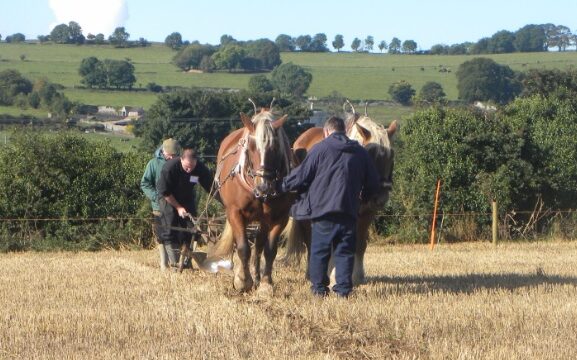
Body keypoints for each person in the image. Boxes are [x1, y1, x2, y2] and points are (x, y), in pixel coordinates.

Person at [279, 116, 380, 297]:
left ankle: (319, 290)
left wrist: (280, 186)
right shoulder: (360, 152)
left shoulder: (319, 149)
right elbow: (373, 184)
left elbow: (301, 176)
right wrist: (362, 199)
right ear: (344, 131)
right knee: (344, 252)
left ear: (326, 132)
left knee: (320, 252)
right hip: (349, 211)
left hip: (323, 212)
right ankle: (342, 291)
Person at [156, 145, 215, 270]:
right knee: (170, 228)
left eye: (192, 167)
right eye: (187, 167)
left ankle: (186, 261)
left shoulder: (200, 168)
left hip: (187, 198)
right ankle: (175, 263)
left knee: (191, 229)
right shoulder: (169, 168)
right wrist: (178, 208)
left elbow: (211, 187)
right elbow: (164, 191)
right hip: (168, 198)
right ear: (181, 159)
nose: (189, 170)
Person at [140, 138, 180, 271]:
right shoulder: (153, 163)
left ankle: (177, 263)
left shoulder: (180, 163)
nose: (172, 157)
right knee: (162, 236)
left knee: (176, 235)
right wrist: (155, 197)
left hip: (176, 207)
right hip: (159, 208)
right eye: (170, 154)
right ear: (163, 151)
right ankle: (164, 264)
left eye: (174, 155)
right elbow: (145, 183)